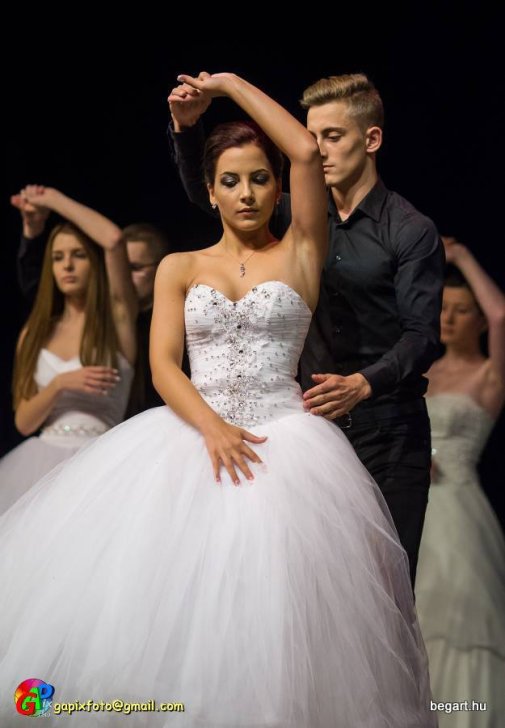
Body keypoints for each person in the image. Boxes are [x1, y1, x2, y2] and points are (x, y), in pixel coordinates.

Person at [0, 73, 434, 728]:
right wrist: (211, 427)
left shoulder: (300, 251)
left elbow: (303, 149)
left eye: (259, 179)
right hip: (192, 439)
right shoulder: (180, 266)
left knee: (278, 615)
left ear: (279, 188)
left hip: (285, 447)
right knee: (169, 612)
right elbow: (162, 365)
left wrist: (229, 86)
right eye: (230, 181)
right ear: (209, 191)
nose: (247, 193)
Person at [167, 72, 445, 586]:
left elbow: (422, 335)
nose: (319, 148)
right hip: (312, 428)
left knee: (384, 588)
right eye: (312, 136)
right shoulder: (293, 216)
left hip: (386, 427)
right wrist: (187, 131)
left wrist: (364, 382)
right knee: (304, 588)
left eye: (332, 136)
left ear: (371, 140)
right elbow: (218, 192)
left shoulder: (409, 230)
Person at [0, 186, 136, 512]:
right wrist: (61, 383)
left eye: (78, 255)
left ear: (94, 262)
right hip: (40, 462)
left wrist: (51, 200)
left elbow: (113, 240)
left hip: (100, 459)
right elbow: (24, 422)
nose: (68, 266)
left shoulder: (116, 320)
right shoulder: (37, 332)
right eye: (58, 258)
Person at [415, 237, 505, 727]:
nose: (449, 318)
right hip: (417, 504)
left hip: (458, 511)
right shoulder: (424, 370)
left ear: (478, 320)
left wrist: (464, 257)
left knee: (457, 619)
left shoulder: (488, 376)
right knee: (417, 618)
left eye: (462, 310)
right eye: (444, 308)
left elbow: (503, 315)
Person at [12, 196, 172, 413]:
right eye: (120, 266)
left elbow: (113, 240)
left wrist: (49, 197)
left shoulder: (130, 317)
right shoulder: (91, 317)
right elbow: (38, 288)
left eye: (133, 268)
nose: (122, 276)